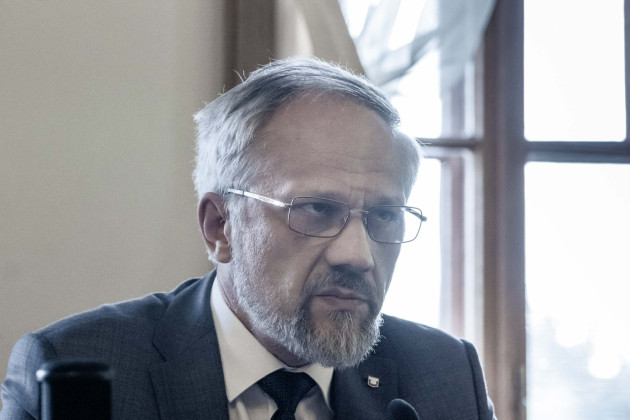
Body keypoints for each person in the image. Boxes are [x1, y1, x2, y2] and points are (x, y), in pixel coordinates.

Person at [0, 58, 495, 419]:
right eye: (317, 210)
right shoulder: (77, 368)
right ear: (220, 227)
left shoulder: (444, 376)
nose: (358, 255)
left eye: (384, 216)